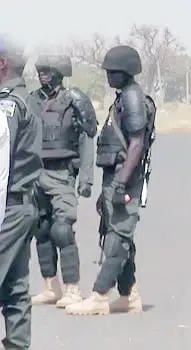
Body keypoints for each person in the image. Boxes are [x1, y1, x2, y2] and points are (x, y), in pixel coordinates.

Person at [66, 45, 152, 316]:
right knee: (113, 232)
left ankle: (99, 295)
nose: (109, 75)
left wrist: (121, 185)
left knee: (118, 238)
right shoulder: (123, 97)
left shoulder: (133, 98)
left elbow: (137, 144)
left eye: (114, 71)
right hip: (114, 176)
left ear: (127, 72)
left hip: (124, 178)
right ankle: (129, 295)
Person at [28, 55, 97, 308]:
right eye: (40, 70)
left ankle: (73, 289)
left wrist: (86, 178)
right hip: (36, 172)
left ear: (60, 72)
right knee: (42, 230)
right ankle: (50, 286)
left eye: (47, 70)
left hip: (62, 173)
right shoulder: (31, 99)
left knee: (62, 229)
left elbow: (87, 139)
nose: (42, 74)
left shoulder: (74, 100)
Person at [0, 35, 43, 349]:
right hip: (23, 204)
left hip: (7, 206)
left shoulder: (8, 105)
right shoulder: (28, 98)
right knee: (15, 287)